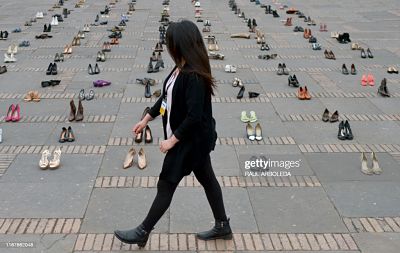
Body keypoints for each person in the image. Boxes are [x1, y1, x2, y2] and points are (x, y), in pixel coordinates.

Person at [114, 20, 232, 248]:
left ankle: (143, 231)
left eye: (170, 44)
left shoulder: (193, 76)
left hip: (191, 141)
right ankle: (222, 225)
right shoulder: (180, 67)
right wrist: (146, 118)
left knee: (167, 183)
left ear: (180, 46)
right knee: (208, 178)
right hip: (190, 139)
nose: (168, 47)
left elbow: (194, 117)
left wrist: (171, 141)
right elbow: (165, 98)